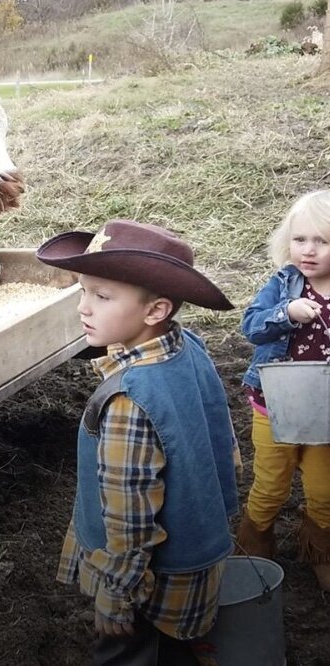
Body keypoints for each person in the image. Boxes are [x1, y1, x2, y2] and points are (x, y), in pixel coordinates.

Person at [36, 219, 240, 666]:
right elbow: (224, 443)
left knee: (130, 652)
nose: (83, 309)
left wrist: (116, 594)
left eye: (102, 296)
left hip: (151, 581)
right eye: (82, 291)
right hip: (200, 546)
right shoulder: (188, 346)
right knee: (173, 650)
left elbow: (130, 518)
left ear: (155, 311)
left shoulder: (128, 400)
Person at [236, 189, 330, 591]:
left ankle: (319, 548)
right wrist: (285, 314)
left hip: (324, 412)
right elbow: (251, 326)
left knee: (325, 490)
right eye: (299, 239)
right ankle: (255, 544)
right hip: (274, 405)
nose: (308, 250)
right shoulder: (284, 284)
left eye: (322, 241)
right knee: (271, 484)